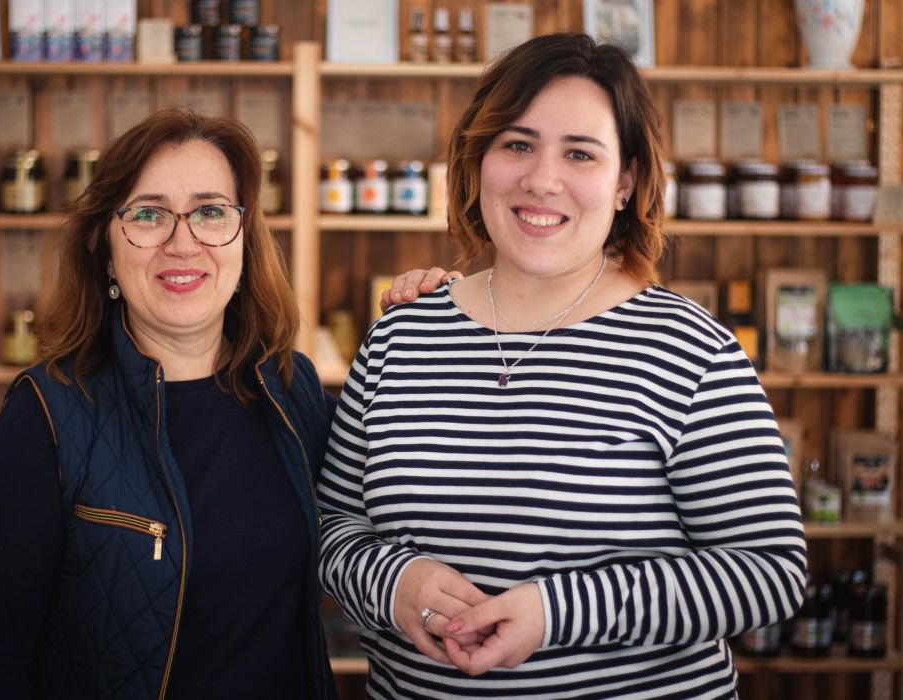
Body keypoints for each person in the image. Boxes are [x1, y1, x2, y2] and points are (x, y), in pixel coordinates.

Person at [317, 33, 807, 699]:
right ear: (478, 161)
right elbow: (333, 525)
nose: (541, 179)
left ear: (625, 181)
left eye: (580, 152)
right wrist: (393, 584)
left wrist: (557, 612)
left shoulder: (690, 351)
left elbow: (769, 572)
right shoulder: (400, 336)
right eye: (517, 144)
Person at [0, 109, 452, 699]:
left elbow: (392, 514)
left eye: (211, 212)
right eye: (148, 214)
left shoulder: (291, 389)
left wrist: (442, 324)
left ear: (244, 239)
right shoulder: (44, 417)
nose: (183, 243)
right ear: (104, 248)